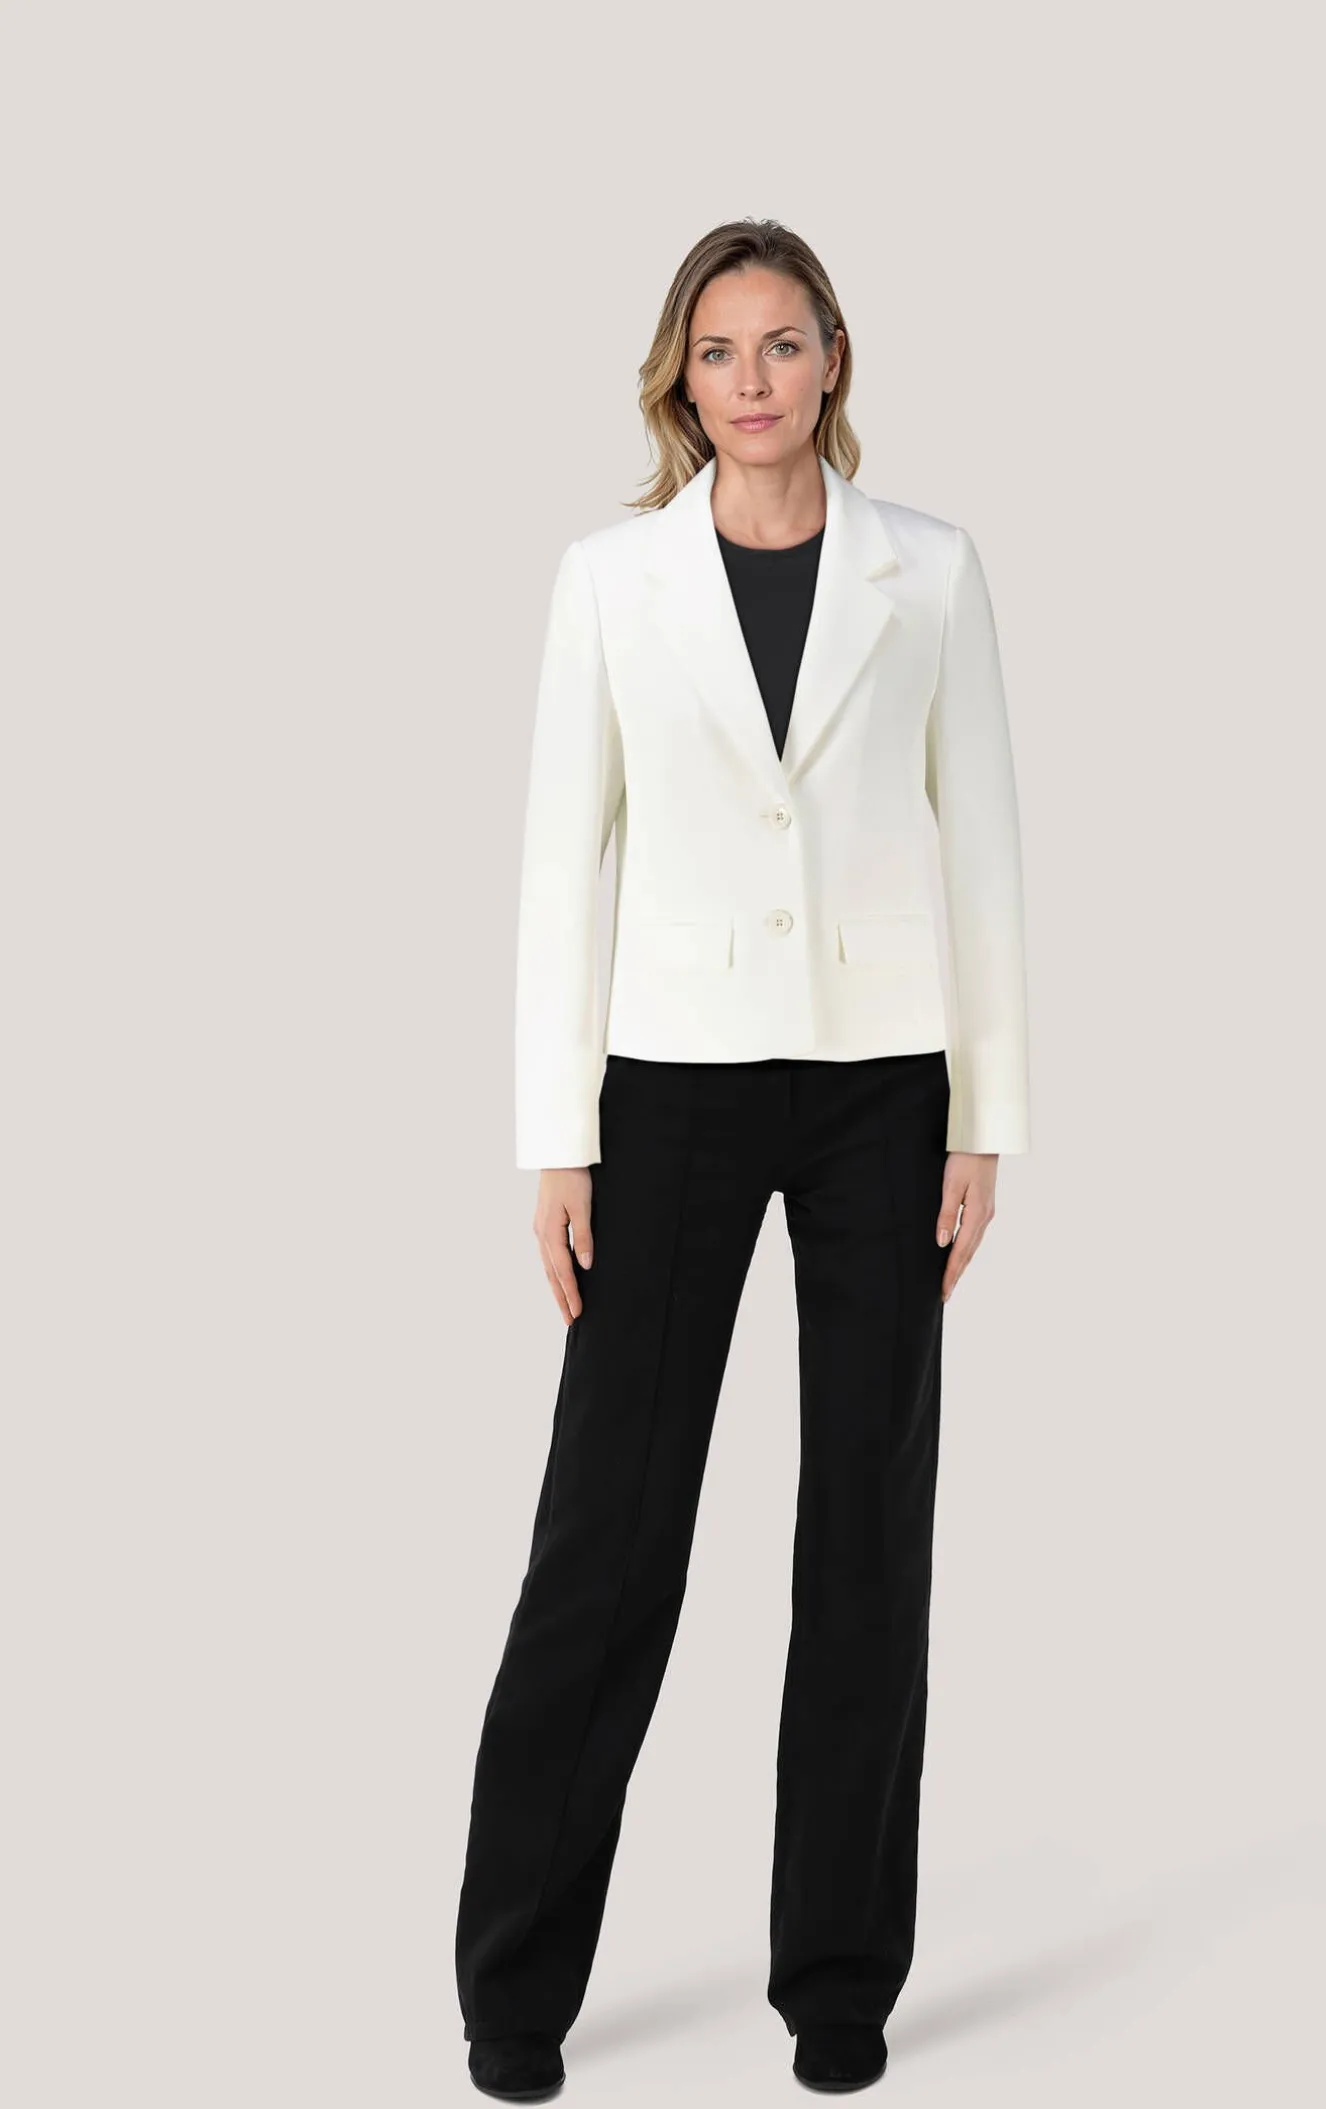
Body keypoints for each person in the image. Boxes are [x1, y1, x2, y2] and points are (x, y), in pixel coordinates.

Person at [455, 216, 1030, 2101]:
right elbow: (562, 865)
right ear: (680, 378)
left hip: (883, 1090)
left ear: (834, 357)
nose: (754, 380)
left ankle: (841, 1981)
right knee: (609, 1531)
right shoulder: (609, 580)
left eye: (783, 344)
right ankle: (515, 1987)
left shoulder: (931, 571)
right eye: (719, 352)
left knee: (867, 1523)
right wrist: (557, 1139)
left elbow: (981, 845)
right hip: (672, 1086)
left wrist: (984, 1116)